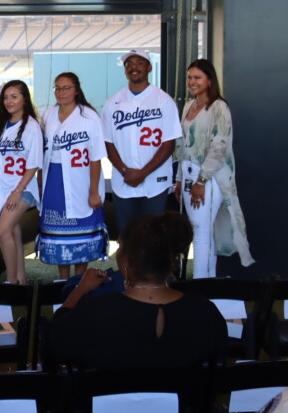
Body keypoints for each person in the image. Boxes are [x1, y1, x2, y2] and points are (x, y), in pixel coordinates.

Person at [49, 212, 227, 371]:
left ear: (127, 261)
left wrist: (80, 290)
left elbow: (54, 346)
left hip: (107, 408)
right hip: (183, 408)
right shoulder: (204, 311)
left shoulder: (94, 311)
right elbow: (218, 358)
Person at [174, 59, 254, 278]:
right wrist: (180, 178)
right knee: (201, 231)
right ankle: (206, 283)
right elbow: (182, 145)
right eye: (189, 77)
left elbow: (219, 146)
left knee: (201, 231)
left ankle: (201, 286)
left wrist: (201, 181)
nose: (192, 82)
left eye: (197, 77)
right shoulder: (189, 106)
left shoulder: (219, 107)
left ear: (209, 80)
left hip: (210, 177)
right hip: (189, 174)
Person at [102, 49, 182, 235]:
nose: (133, 67)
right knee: (128, 237)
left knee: (154, 238)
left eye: (139, 63)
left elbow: (169, 144)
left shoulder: (164, 101)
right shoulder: (113, 102)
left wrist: (143, 173)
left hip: (155, 182)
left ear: (149, 67)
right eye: (129, 64)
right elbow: (108, 143)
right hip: (124, 181)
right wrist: (124, 170)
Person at [37, 72, 108, 280]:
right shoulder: (49, 114)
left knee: (81, 233)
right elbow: (41, 151)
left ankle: (79, 280)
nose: (61, 92)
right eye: (57, 88)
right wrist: (41, 184)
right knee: (59, 234)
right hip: (53, 179)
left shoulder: (89, 116)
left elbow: (96, 157)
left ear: (76, 89)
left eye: (66, 87)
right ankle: (64, 281)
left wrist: (94, 191)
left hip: (81, 178)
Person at [0, 80, 43, 285]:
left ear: (24, 99)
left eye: (14, 96)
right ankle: (21, 281)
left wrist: (17, 190)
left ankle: (11, 282)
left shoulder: (31, 126)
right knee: (13, 232)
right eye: (5, 97)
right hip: (4, 189)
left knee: (2, 231)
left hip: (22, 189)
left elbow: (34, 164)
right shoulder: (1, 125)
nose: (9, 101)